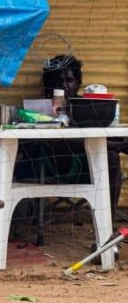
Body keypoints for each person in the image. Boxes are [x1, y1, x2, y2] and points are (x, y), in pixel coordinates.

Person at [17, 54, 126, 217]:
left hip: (85, 168)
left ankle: (107, 224)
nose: (63, 85)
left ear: (78, 83)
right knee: (105, 148)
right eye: (57, 81)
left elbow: (105, 130)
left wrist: (119, 143)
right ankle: (114, 146)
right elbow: (30, 145)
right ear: (48, 84)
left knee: (112, 157)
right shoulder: (37, 110)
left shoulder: (85, 106)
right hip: (50, 169)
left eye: (69, 80)